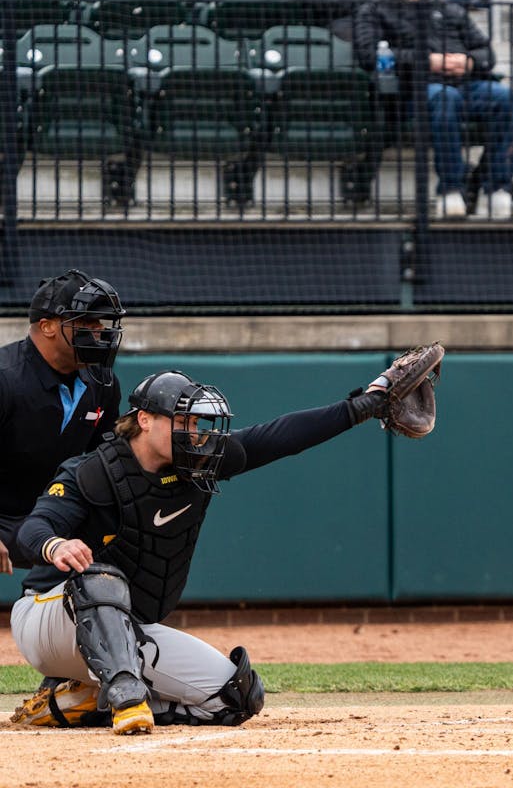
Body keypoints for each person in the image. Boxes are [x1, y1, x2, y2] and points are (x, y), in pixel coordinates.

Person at [9, 367, 417, 734]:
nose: (194, 430)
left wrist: (365, 405)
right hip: (47, 618)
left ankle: (70, 703)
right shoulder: (93, 472)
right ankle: (125, 699)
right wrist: (55, 544)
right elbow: (34, 529)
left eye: (195, 421)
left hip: (127, 629)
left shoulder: (199, 462)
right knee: (101, 578)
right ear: (145, 420)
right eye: (180, 420)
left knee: (235, 697)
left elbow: (280, 437)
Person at [354, 0, 513, 218]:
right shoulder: (374, 8)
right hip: (412, 91)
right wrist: (426, 61)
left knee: (505, 98)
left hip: (464, 85)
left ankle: (498, 191)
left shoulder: (447, 6)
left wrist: (470, 62)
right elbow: (369, 55)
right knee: (445, 97)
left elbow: (485, 50)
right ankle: (451, 190)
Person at [0, 270, 125, 575]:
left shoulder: (103, 382)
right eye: (85, 322)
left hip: (54, 517)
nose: (98, 331)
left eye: (100, 322)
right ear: (47, 327)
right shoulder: (5, 378)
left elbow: (106, 461)